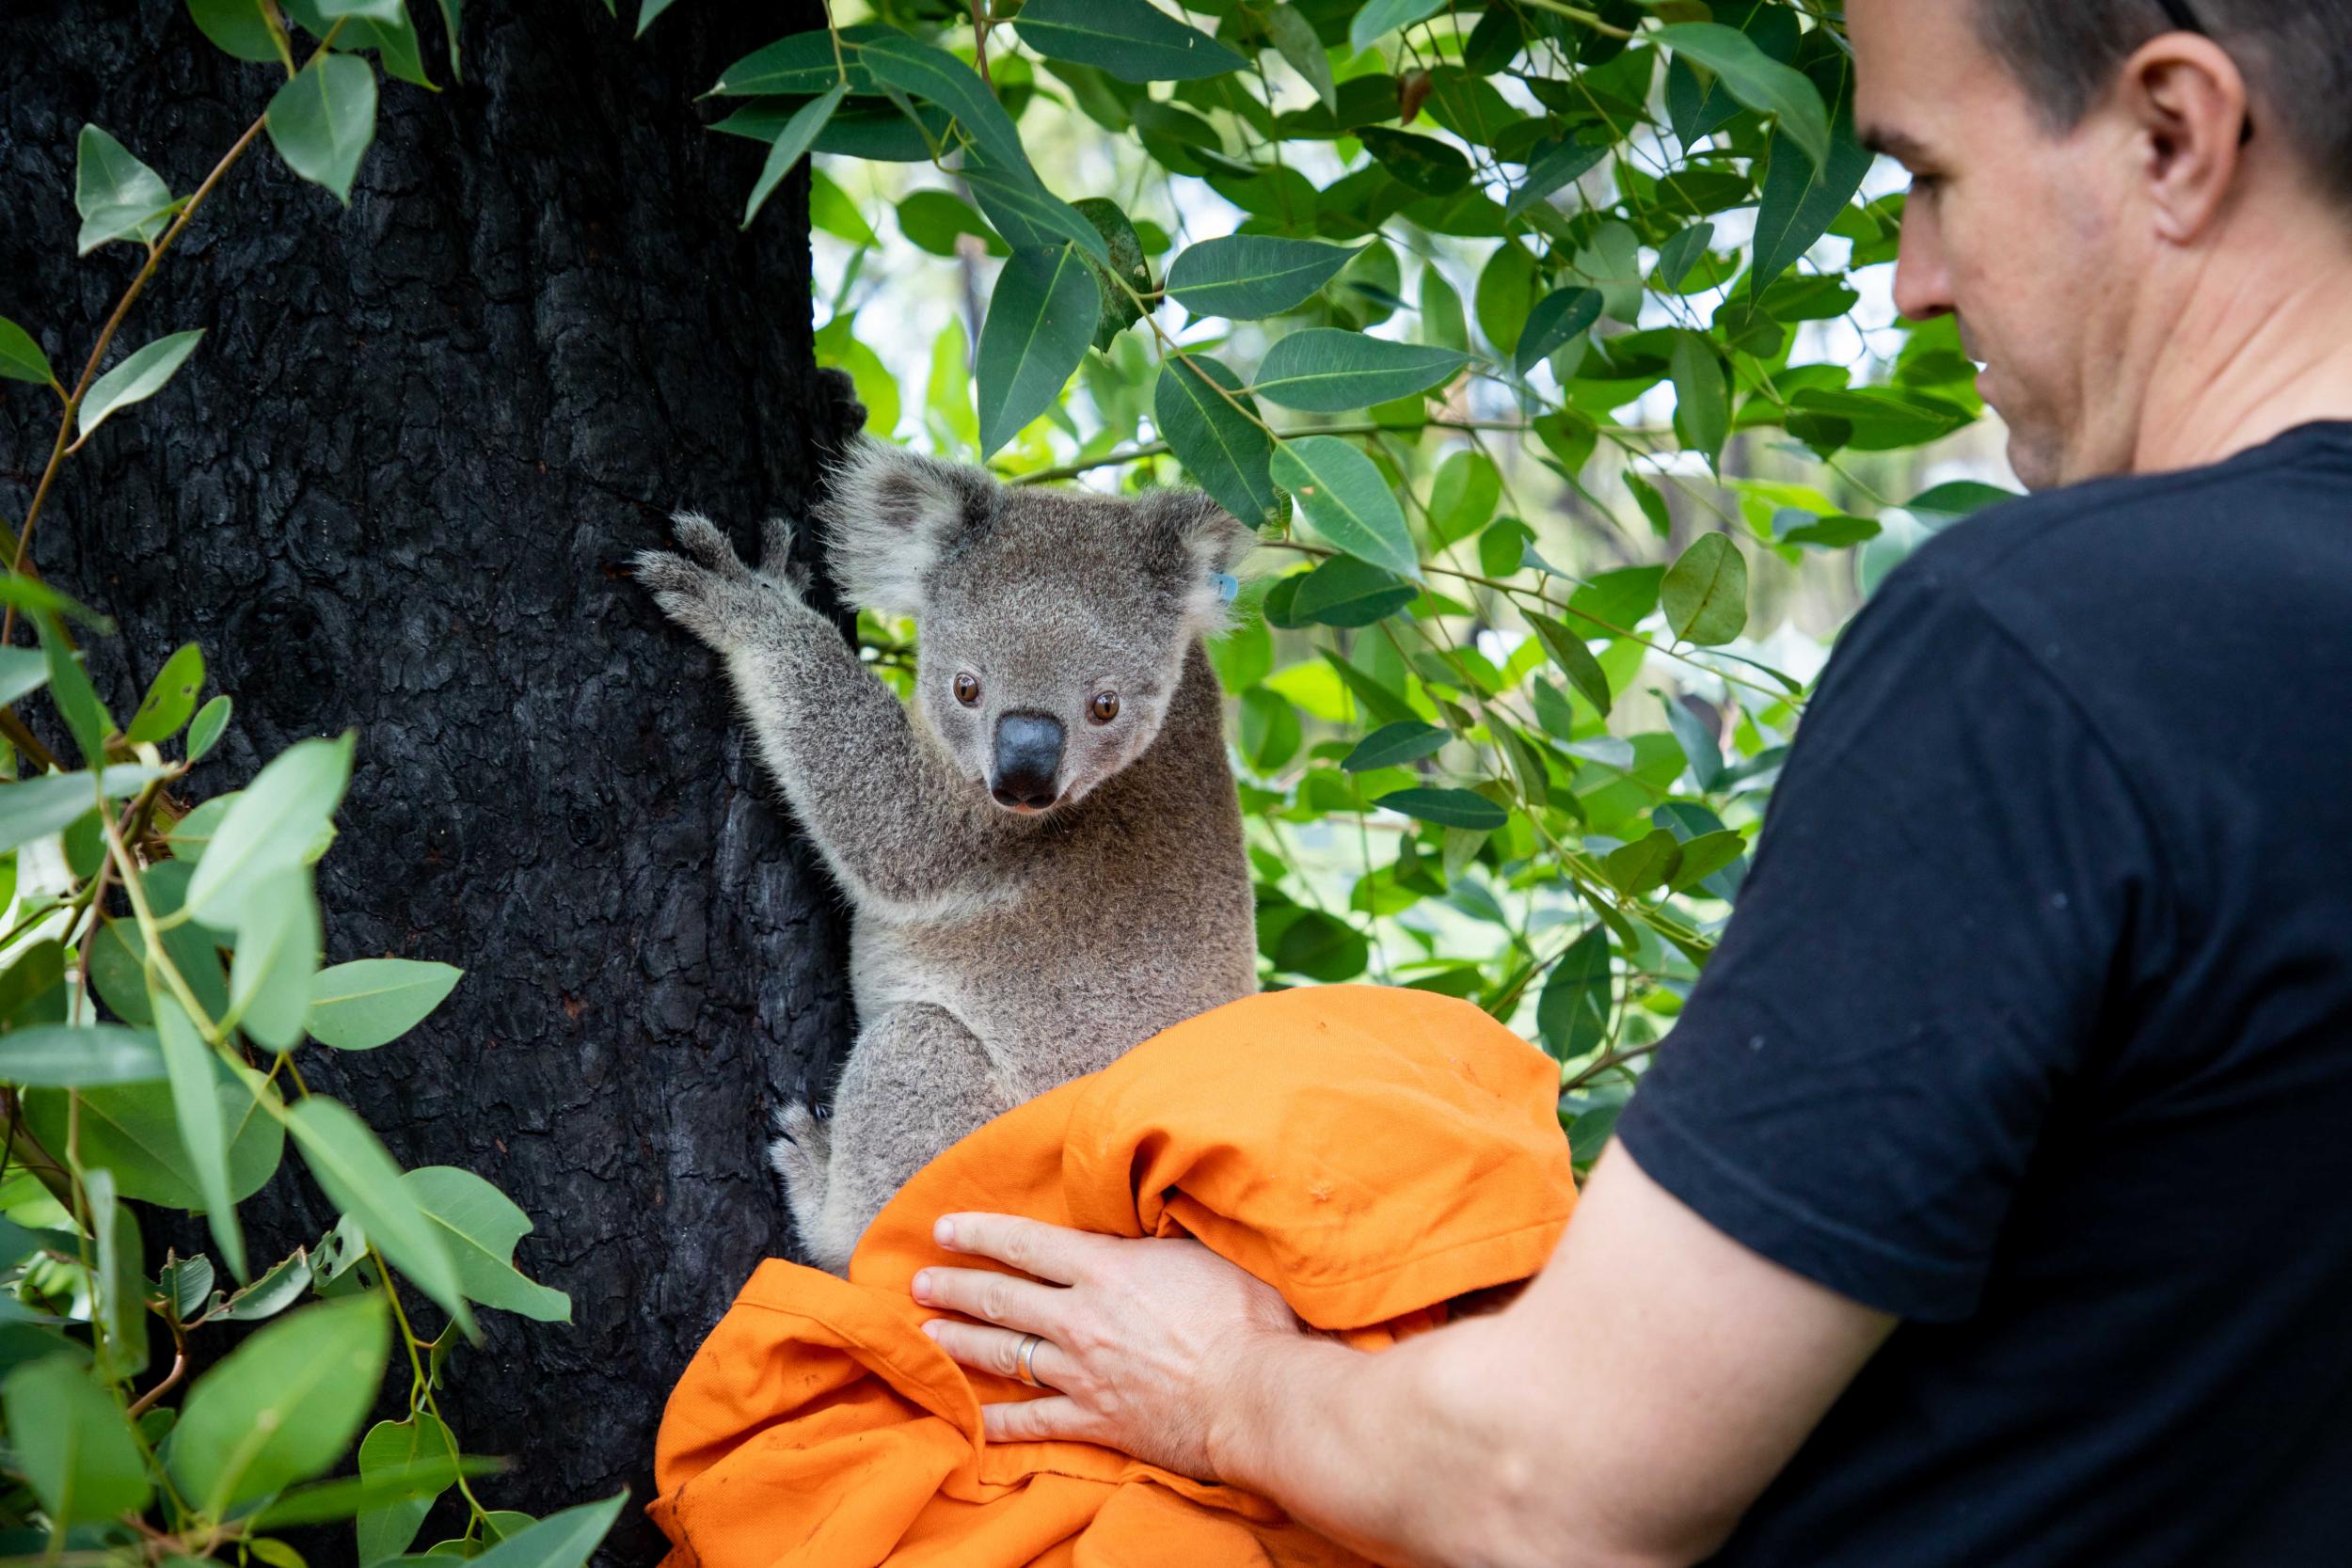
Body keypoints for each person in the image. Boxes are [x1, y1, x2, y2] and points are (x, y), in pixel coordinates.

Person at [905, 0, 2352, 1561]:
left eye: (1929, 179)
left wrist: (1225, 1384)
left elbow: (1557, 1488)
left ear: (2174, 136)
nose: (1910, 284)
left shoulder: (2050, 653)